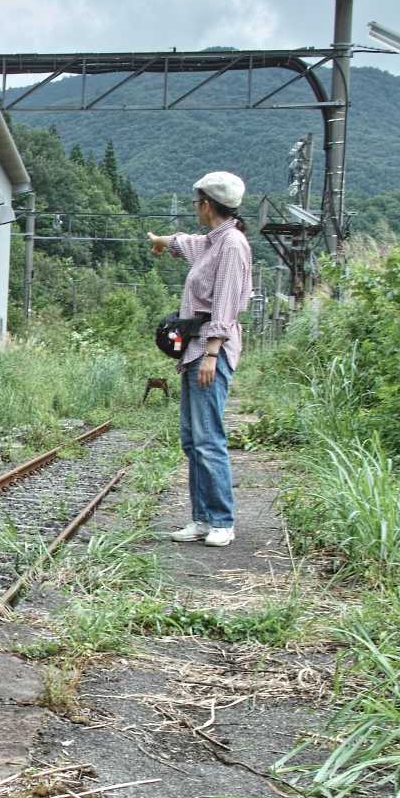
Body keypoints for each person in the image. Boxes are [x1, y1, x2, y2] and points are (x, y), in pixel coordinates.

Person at [147, 171, 254, 547]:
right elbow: (186, 243)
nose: (195, 208)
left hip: (211, 350)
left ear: (206, 205)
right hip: (195, 351)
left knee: (208, 438)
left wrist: (211, 352)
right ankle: (202, 518)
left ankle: (222, 520)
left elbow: (224, 302)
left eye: (196, 202)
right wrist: (162, 242)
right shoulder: (213, 241)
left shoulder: (232, 245)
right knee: (193, 439)